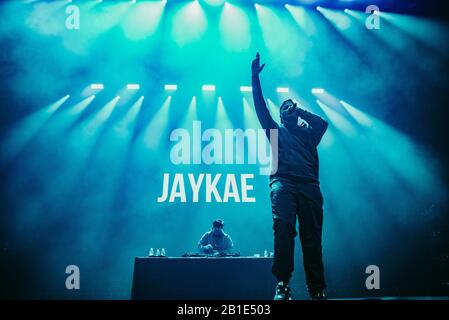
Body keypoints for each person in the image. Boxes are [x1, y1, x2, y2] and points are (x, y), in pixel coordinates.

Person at [251, 53, 328, 300]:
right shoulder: (274, 131)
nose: (289, 107)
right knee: (284, 228)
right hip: (283, 183)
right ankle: (282, 283)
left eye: (291, 105)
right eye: (284, 107)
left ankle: (316, 289)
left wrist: (301, 110)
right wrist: (254, 78)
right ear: (281, 116)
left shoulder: (309, 134)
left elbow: (323, 124)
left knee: (312, 237)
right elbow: (261, 107)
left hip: (309, 186)